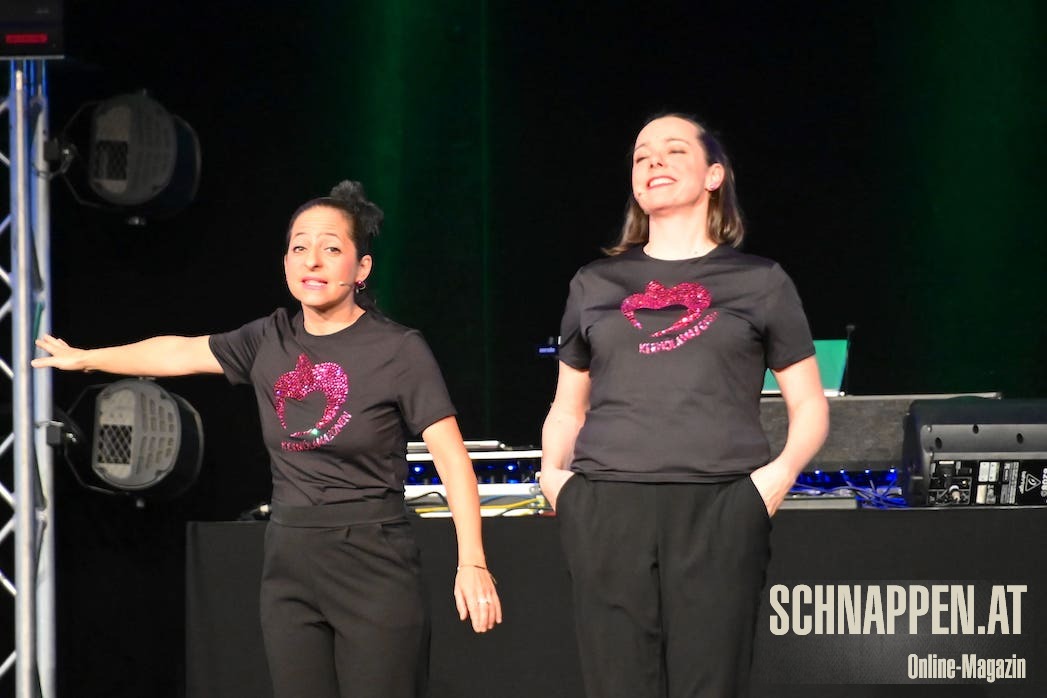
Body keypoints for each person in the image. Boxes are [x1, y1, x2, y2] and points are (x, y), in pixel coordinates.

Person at [32, 180, 502, 698]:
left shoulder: (398, 350)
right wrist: (87, 358)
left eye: (331, 249)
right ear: (285, 263)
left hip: (374, 561)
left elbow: (452, 459)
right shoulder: (267, 340)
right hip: (290, 562)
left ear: (361, 268)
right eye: (300, 247)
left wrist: (472, 561)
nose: (312, 261)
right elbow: (179, 352)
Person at [540, 114, 829, 698]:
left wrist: (773, 481)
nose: (654, 161)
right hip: (607, 503)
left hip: (721, 502)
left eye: (674, 150)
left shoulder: (760, 282)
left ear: (714, 175)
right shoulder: (595, 283)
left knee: (710, 681)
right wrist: (555, 480)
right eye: (642, 154)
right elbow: (568, 405)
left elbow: (809, 405)